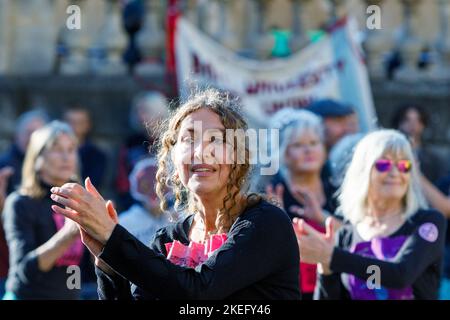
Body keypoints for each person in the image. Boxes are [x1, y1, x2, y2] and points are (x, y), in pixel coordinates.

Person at [50, 89, 301, 300]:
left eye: (215, 139)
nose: (201, 152)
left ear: (238, 155)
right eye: (188, 140)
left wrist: (114, 238)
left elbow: (199, 291)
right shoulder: (168, 240)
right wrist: (107, 262)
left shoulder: (266, 223)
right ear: (172, 158)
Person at [295, 129, 446, 300]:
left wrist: (331, 256)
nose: (395, 172)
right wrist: (326, 268)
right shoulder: (346, 235)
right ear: (363, 171)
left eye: (404, 165)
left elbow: (401, 274)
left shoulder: (428, 222)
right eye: (384, 164)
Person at [264, 108, 340, 300]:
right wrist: (276, 221)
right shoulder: (271, 193)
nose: (308, 150)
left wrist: (322, 217)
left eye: (314, 143)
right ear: (283, 152)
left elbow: (357, 237)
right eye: (298, 145)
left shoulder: (339, 190)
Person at [2, 121, 84, 300]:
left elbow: (76, 268)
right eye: (56, 149)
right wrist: (68, 235)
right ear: (37, 159)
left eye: (71, 149)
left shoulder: (75, 201)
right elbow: (25, 271)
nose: (66, 157)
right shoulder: (20, 203)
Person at [115, 91, 169, 212]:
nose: (140, 116)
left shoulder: (175, 141)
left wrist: (167, 204)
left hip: (173, 209)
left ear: (159, 111)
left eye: (145, 111)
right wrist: (141, 204)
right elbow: (123, 183)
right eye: (138, 111)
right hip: (139, 209)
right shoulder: (131, 144)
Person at [391, 104, 447, 184]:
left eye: (418, 120)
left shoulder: (435, 159)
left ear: (423, 125)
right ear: (399, 123)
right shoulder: (388, 154)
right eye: (407, 120)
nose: (413, 124)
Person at [119, 158, 169, 245]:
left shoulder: (179, 219)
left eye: (161, 185)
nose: (155, 192)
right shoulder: (125, 223)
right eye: (147, 186)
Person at [0, 110, 48, 194]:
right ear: (17, 135)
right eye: (28, 132)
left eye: (37, 134)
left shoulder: (51, 165)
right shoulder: (3, 165)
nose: (31, 138)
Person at [64, 107, 107, 190]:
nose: (74, 127)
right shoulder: (51, 152)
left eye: (80, 122)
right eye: (71, 122)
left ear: (88, 125)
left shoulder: (97, 156)